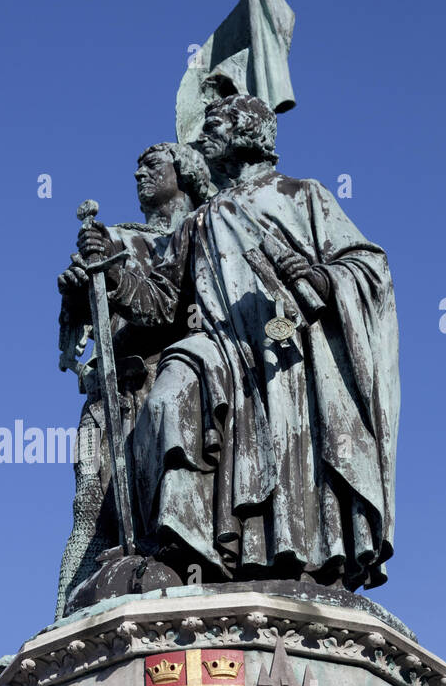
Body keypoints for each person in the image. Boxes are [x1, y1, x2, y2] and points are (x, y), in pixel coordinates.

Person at [117, 95, 398, 590]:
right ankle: (189, 550)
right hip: (221, 347)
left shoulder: (303, 194)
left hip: (290, 349)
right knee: (169, 395)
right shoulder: (199, 221)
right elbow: (162, 304)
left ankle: (310, 560)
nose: (204, 135)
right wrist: (115, 272)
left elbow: (368, 266)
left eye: (216, 124)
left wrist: (322, 278)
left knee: (297, 441)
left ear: (248, 131)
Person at [55, 142, 211, 616]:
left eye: (152, 166)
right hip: (109, 391)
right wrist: (77, 290)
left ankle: (163, 589)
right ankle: (66, 615)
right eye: (137, 167)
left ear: (182, 174)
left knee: (154, 500)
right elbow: (77, 327)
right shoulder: (117, 234)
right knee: (88, 502)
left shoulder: (198, 235)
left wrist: (114, 271)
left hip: (160, 382)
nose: (139, 174)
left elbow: (167, 310)